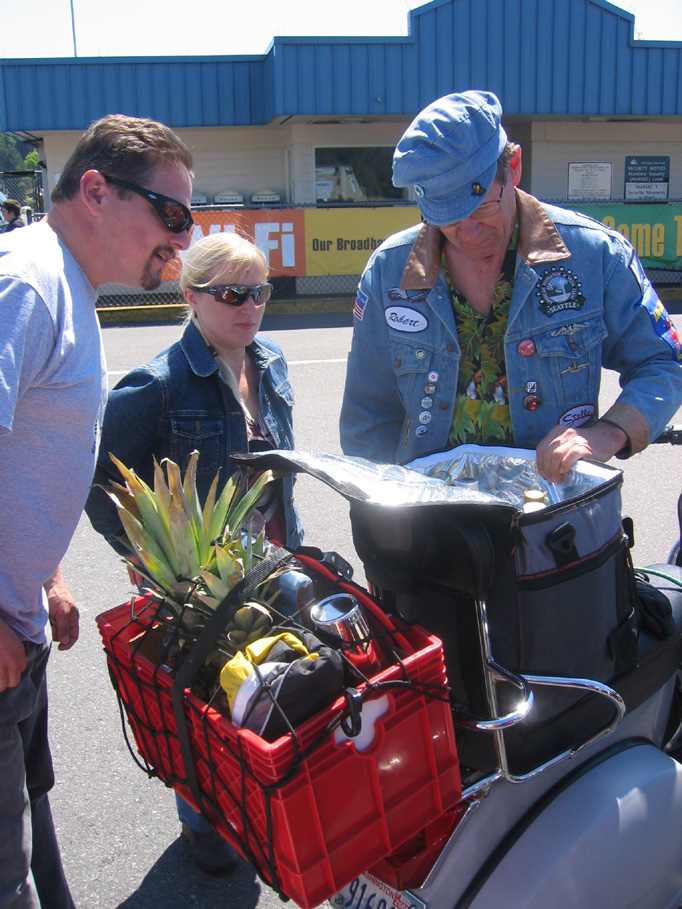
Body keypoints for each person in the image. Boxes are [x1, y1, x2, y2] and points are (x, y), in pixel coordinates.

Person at [0, 113, 193, 909]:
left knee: (31, 843)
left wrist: (42, 571)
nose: (181, 241)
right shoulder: (27, 281)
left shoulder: (65, 284)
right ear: (95, 191)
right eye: (171, 215)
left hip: (20, 623)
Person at [85, 231, 303, 875]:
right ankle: (201, 819)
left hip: (270, 567)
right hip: (196, 589)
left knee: (262, 695)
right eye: (233, 293)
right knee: (203, 710)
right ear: (190, 295)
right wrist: (149, 559)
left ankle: (253, 805)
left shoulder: (272, 361)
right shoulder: (153, 385)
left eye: (261, 291)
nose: (250, 306)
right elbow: (101, 485)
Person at [339, 90, 682, 480]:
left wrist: (608, 432)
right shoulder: (389, 271)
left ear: (514, 166)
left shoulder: (595, 255)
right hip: (430, 525)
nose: (468, 232)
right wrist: (381, 517)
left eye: (482, 206)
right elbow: (367, 418)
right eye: (446, 216)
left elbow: (664, 362)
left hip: (555, 518)